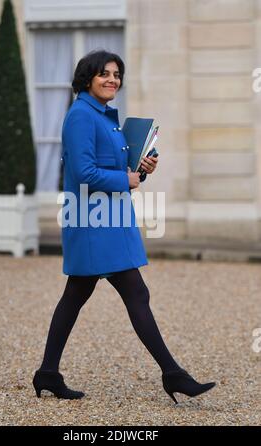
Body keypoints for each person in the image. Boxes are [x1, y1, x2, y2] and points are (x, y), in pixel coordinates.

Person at [32, 50, 216, 404]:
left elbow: (121, 169)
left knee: (77, 296)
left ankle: (48, 373)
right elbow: (84, 173)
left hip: (108, 219)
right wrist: (127, 178)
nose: (112, 79)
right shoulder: (82, 117)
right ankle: (173, 374)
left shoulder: (103, 117)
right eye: (104, 74)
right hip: (92, 221)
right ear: (88, 78)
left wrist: (142, 169)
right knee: (134, 292)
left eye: (117, 74)